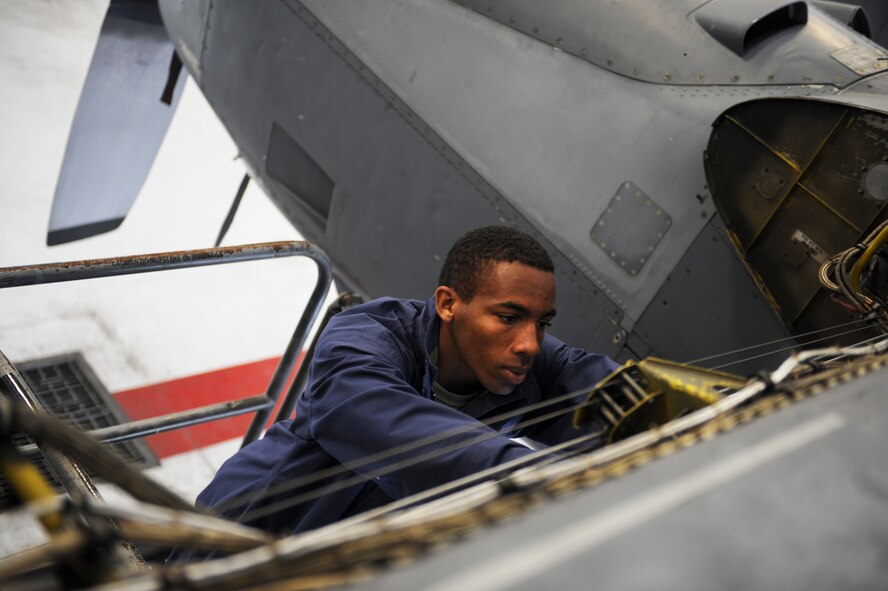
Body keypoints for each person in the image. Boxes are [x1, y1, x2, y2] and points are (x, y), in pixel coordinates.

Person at [193, 226, 618, 539]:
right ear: (448, 304)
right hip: (241, 535)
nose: (529, 343)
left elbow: (617, 394)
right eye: (508, 318)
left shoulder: (528, 364)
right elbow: (374, 417)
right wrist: (531, 479)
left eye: (542, 324)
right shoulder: (366, 335)